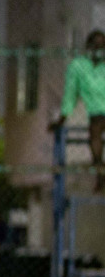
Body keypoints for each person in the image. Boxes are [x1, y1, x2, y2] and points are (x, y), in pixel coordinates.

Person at [50, 29, 105, 191]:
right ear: (89, 47)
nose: (99, 50)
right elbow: (70, 94)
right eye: (96, 46)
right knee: (95, 128)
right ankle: (100, 171)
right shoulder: (78, 67)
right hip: (97, 113)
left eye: (103, 47)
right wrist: (61, 119)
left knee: (96, 127)